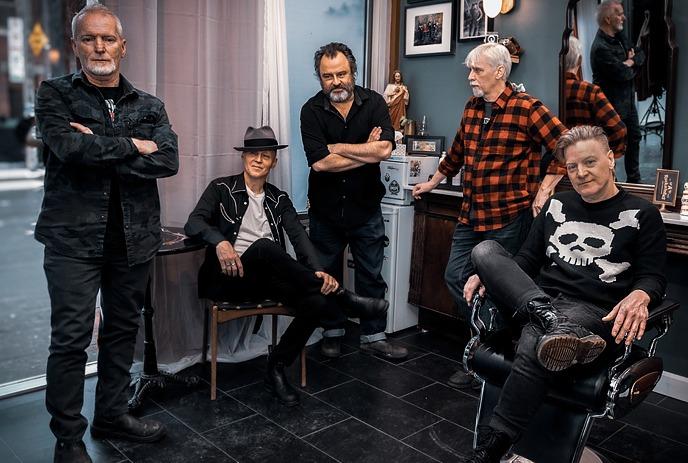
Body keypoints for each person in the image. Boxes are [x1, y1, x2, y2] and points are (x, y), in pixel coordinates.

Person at [462, 125, 667, 462]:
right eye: (572, 167)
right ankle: (547, 317)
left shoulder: (642, 215)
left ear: (610, 159)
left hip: (592, 312)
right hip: (539, 301)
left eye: (589, 162)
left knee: (539, 336)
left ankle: (493, 445)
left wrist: (641, 295)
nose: (581, 173)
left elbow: (653, 277)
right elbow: (527, 259)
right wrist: (493, 275)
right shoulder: (558, 204)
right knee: (484, 252)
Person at [35, 5, 179, 463]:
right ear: (75, 44)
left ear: (123, 46)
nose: (100, 47)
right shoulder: (54, 94)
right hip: (72, 242)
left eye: (108, 39)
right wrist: (134, 145)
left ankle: (112, 415)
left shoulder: (149, 105)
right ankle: (68, 437)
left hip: (133, 240)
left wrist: (97, 146)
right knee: (71, 339)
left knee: (121, 333)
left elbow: (168, 161)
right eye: (89, 39)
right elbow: (67, 146)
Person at [184, 126, 389, 407]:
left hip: (266, 280)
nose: (258, 160)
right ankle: (345, 298)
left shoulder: (278, 198)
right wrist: (219, 242)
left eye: (265, 156)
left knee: (316, 301)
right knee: (265, 247)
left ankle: (276, 368)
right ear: (243, 158)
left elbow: (300, 238)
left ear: (274, 162)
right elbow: (193, 223)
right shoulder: (221, 188)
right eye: (253, 155)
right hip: (228, 280)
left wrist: (319, 270)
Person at [412, 42, 567, 388]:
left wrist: (545, 187)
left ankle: (488, 359)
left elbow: (566, 144)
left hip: (509, 217)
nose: (470, 77)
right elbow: (456, 153)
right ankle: (494, 340)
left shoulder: (527, 108)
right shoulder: (472, 108)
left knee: (497, 287)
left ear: (499, 72)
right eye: (470, 70)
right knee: (456, 277)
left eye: (477, 70)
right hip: (471, 213)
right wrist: (432, 181)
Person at [300, 42, 408, 360]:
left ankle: (374, 336)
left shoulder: (374, 102)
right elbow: (319, 163)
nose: (336, 81)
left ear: (353, 71)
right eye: (328, 76)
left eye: (342, 73)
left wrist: (338, 147)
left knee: (370, 275)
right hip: (325, 210)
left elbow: (385, 150)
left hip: (365, 208)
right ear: (320, 78)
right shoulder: (311, 110)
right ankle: (333, 332)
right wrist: (365, 150)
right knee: (328, 274)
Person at [590, 0, 645, 183]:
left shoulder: (620, 37)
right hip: (609, 107)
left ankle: (634, 182)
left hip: (628, 104)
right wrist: (630, 64)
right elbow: (623, 74)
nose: (624, 17)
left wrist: (631, 62)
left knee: (635, 138)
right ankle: (608, 184)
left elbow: (640, 54)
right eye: (620, 14)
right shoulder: (600, 48)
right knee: (610, 147)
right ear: (608, 18)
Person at [565, 36, 627, 159]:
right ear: (579, 60)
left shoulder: (546, 90)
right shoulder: (590, 92)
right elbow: (619, 129)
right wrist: (605, 156)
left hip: (559, 163)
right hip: (590, 160)